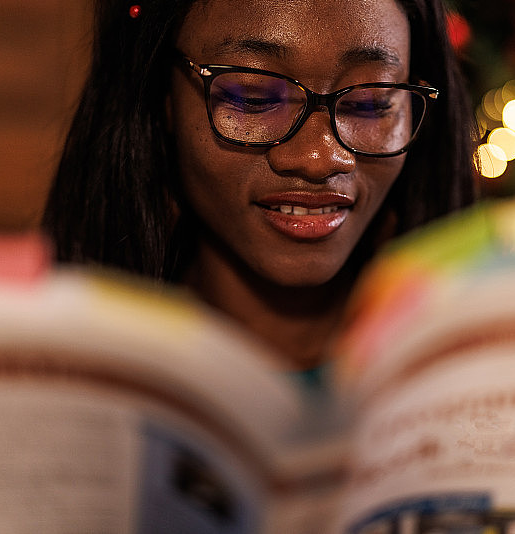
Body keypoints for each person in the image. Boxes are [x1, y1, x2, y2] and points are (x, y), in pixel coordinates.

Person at [43, 0, 476, 369]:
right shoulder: (60, 361)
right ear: (162, 97)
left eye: (370, 102)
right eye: (254, 98)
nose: (320, 158)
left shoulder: (504, 338)